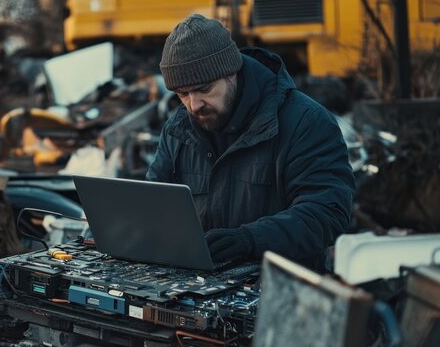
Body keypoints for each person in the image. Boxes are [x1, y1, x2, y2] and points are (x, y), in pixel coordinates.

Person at [146, 14, 355, 272]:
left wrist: (251, 239)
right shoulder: (178, 128)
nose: (193, 104)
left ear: (232, 72)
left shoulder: (306, 122)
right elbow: (152, 201)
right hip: (196, 288)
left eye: (204, 89)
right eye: (182, 94)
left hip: (283, 292)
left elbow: (327, 212)